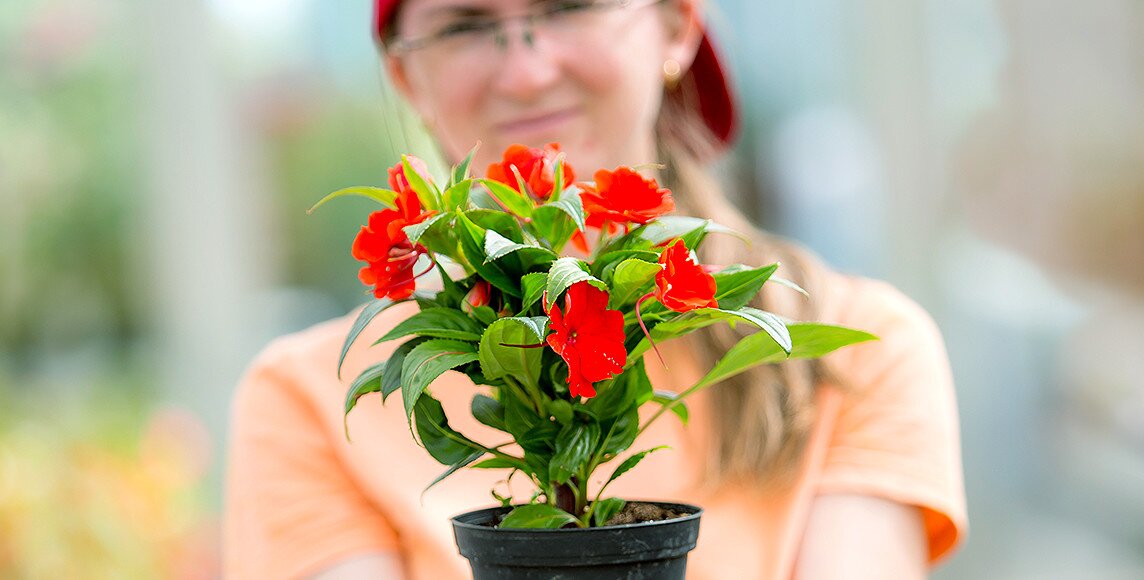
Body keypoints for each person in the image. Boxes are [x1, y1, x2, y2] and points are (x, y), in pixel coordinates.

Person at [223, 0, 967, 577]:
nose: (526, 71)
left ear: (675, 27)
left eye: (571, 4)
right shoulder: (308, 402)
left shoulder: (855, 353)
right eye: (464, 25)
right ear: (407, 77)